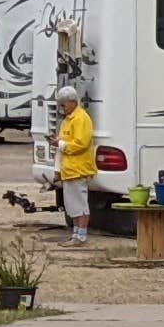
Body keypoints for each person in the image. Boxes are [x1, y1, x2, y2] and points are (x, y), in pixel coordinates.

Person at [56, 84, 99, 241]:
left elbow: (81, 143)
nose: (62, 107)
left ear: (73, 101)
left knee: (80, 204)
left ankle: (81, 235)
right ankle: (75, 233)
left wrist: (61, 144)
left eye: (63, 104)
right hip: (68, 169)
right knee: (72, 204)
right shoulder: (67, 120)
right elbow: (65, 140)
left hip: (78, 168)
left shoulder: (81, 119)